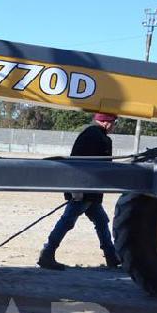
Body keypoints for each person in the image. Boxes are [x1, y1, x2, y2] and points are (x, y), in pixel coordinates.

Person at [38, 113, 123, 270]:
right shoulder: (100, 138)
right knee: (68, 221)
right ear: (106, 122)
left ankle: (112, 257)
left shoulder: (90, 134)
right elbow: (99, 165)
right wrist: (77, 190)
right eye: (114, 122)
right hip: (86, 190)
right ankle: (47, 254)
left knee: (101, 221)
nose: (114, 126)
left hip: (86, 189)